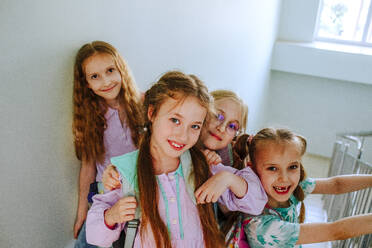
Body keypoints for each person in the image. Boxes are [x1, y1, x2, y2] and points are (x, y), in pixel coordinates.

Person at [86, 71, 265, 248]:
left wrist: (229, 178)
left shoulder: (203, 166)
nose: (183, 135)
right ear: (152, 113)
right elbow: (94, 236)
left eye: (194, 126)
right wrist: (111, 216)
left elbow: (256, 203)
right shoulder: (124, 171)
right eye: (175, 120)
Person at [226, 128, 372, 248]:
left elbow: (336, 185)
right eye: (272, 168)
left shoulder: (291, 190)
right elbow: (334, 231)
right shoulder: (263, 227)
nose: (284, 178)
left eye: (292, 167)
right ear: (253, 170)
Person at [72, 41, 143, 247]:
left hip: (142, 193)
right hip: (108, 195)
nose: (106, 81)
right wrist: (81, 212)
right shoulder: (89, 119)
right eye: (95, 76)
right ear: (86, 83)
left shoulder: (145, 103)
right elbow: (87, 168)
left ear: (120, 68)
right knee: (87, 243)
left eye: (110, 70)